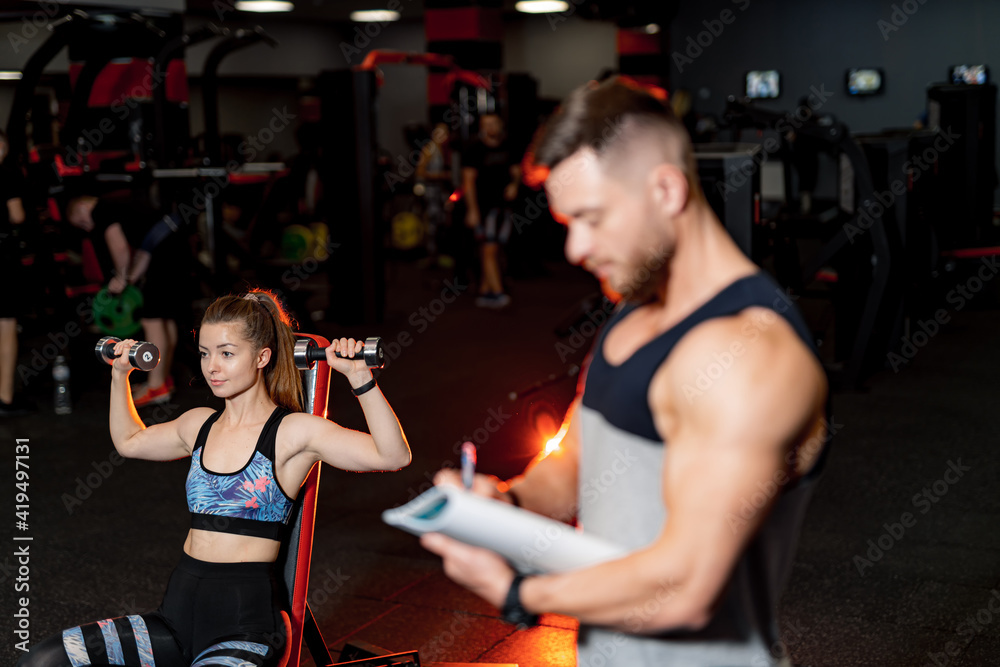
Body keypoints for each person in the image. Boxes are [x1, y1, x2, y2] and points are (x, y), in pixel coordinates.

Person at [421, 78, 830, 666]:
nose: (574, 249)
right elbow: (575, 464)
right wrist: (502, 506)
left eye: (591, 217)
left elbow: (685, 588)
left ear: (665, 189)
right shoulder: (633, 311)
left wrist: (517, 593)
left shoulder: (750, 356)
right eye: (567, 224)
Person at [17, 289, 411, 667]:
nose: (212, 367)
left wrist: (360, 376)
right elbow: (130, 442)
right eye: (205, 353)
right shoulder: (199, 425)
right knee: (45, 659)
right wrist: (120, 374)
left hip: (245, 628)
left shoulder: (293, 432)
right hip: (175, 619)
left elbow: (392, 455)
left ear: (262, 357)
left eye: (227, 353)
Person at [66, 194, 196, 406]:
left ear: (82, 205)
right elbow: (145, 250)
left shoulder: (101, 208)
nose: (88, 227)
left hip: (165, 256)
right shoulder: (125, 207)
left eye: (82, 221)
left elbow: (119, 248)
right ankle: (162, 379)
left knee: (151, 320)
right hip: (175, 251)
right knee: (165, 319)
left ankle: (156, 388)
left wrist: (120, 277)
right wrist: (130, 279)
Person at [462, 113, 521, 308]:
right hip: (483, 207)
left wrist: (514, 184)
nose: (491, 127)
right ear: (481, 127)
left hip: (503, 207)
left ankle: (485, 290)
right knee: (489, 249)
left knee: (496, 249)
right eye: (486, 124)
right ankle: (497, 292)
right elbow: (468, 181)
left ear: (500, 124)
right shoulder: (474, 149)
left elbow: (516, 172)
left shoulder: (508, 145)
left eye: (494, 123)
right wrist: (472, 210)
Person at [0, 129, 31, 416]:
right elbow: (18, 215)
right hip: (3, 257)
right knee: (7, 326)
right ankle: (5, 398)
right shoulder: (7, 175)